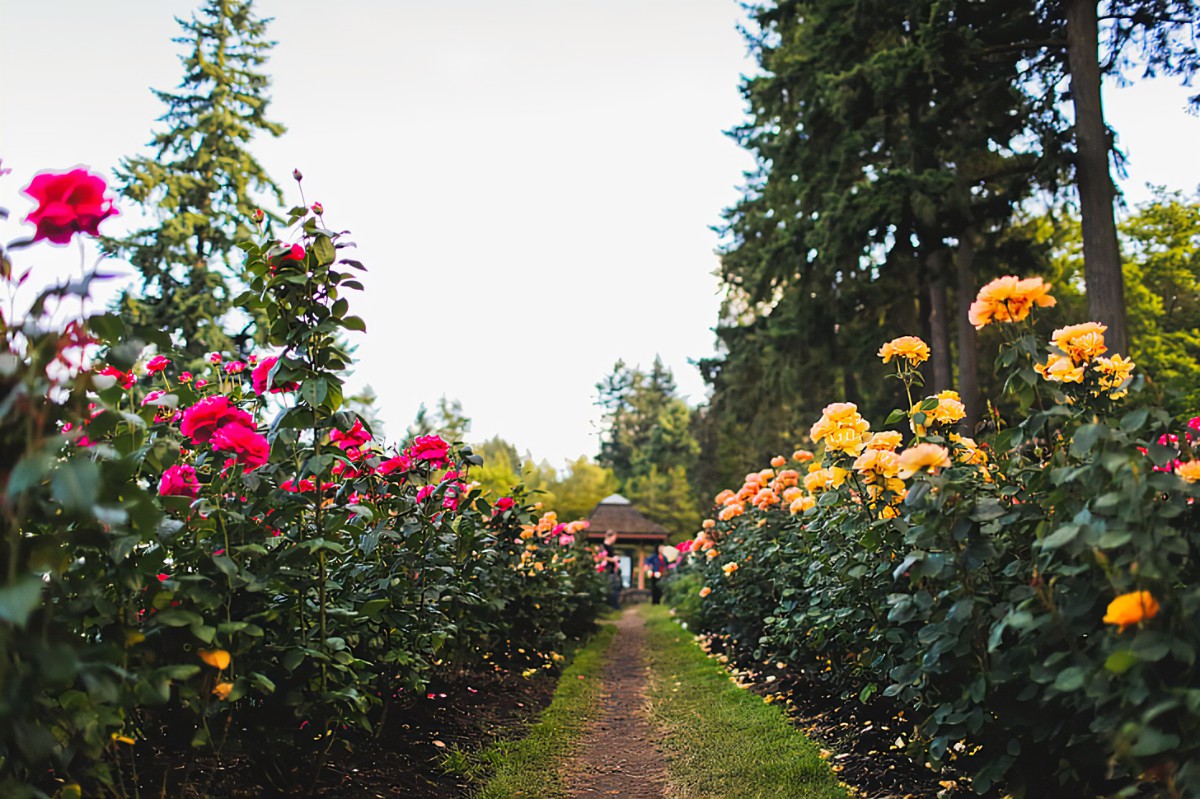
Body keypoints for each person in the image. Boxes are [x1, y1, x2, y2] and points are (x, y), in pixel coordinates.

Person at [601, 530, 621, 609]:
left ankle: (613, 605)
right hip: (606, 570)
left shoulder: (611, 548)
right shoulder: (602, 546)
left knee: (615, 587)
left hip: (613, 571)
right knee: (610, 587)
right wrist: (612, 559)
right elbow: (601, 557)